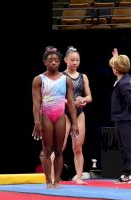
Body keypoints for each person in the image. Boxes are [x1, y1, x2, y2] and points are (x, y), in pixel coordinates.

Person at [32, 46, 79, 188]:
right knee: (47, 150)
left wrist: (75, 122)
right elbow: (36, 103)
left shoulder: (66, 80)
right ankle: (48, 181)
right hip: (46, 115)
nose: (53, 62)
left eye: (56, 60)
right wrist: (37, 121)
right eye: (50, 60)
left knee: (59, 150)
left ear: (60, 63)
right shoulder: (38, 79)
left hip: (60, 115)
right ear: (45, 62)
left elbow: (71, 102)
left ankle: (57, 180)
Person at [109, 48, 131, 184]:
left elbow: (129, 98)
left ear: (116, 69)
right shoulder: (123, 79)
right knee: (123, 146)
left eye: (114, 67)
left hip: (126, 119)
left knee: (129, 146)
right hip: (120, 118)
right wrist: (117, 59)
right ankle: (127, 172)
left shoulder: (124, 83)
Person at [62, 45, 92, 185]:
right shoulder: (61, 76)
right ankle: (52, 177)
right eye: (72, 60)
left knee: (78, 147)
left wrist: (83, 100)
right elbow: (57, 97)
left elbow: (89, 96)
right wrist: (72, 102)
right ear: (65, 60)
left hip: (79, 113)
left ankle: (79, 177)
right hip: (64, 113)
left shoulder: (83, 76)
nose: (74, 63)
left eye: (77, 60)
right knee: (60, 147)